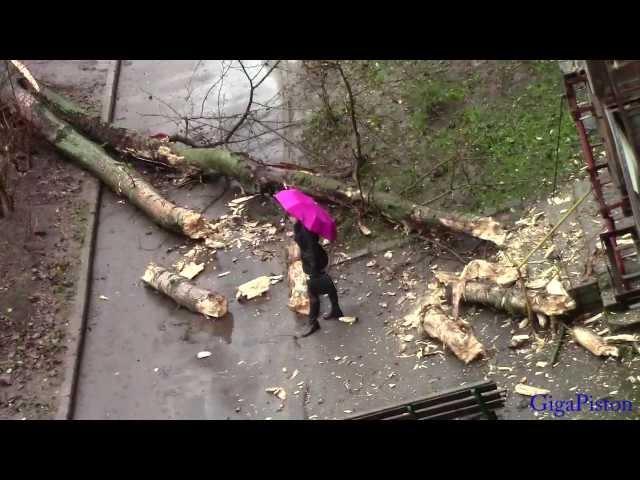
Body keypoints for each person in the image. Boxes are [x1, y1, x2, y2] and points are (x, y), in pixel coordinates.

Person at [291, 216, 344, 337]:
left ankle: (313, 322)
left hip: (313, 262)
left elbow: (311, 249)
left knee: (312, 292)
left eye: (290, 216)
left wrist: (313, 269)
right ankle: (336, 309)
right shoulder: (302, 224)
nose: (289, 219)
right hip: (315, 259)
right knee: (326, 283)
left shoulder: (305, 230)